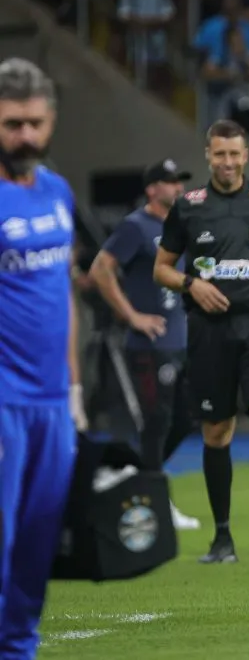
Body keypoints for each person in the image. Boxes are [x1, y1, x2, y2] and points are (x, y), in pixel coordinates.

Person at [154, 119, 249, 564]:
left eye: (234, 154)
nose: (227, 162)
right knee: (216, 430)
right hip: (209, 333)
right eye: (219, 154)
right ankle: (222, 538)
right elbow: (161, 267)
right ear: (208, 155)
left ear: (246, 155)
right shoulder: (188, 206)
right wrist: (190, 284)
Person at [0, 57, 85, 657]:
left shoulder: (57, 191)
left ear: (50, 121)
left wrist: (75, 390)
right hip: (3, 401)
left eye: (33, 123)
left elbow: (65, 297)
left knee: (37, 545)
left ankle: (19, 651)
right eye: (11, 124)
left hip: (54, 403)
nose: (24, 136)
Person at [89, 159, 202, 529]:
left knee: (187, 417)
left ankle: (130, 471)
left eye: (179, 181)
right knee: (157, 421)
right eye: (169, 182)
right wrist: (131, 316)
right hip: (149, 344)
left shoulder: (178, 226)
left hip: (179, 339)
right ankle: (157, 501)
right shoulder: (136, 226)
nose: (177, 188)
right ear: (152, 189)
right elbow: (101, 270)